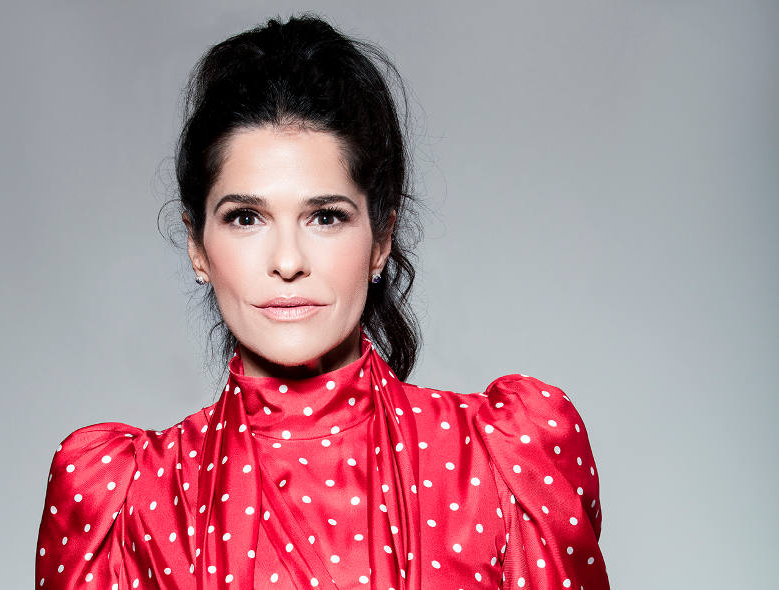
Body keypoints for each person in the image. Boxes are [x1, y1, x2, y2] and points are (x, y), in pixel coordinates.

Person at [35, 13, 610, 590]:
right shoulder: (123, 502)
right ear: (198, 247)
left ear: (380, 240)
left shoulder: (506, 462)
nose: (288, 261)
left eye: (326, 217)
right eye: (246, 218)